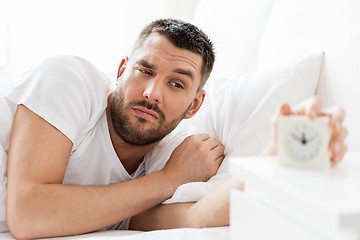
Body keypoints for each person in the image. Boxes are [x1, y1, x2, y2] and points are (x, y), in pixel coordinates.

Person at [1, 18, 347, 239]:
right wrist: (169, 181)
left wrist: (282, 157)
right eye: (145, 71)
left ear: (195, 105)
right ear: (121, 70)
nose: (153, 93)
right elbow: (28, 214)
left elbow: (198, 216)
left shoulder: (167, 157)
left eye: (177, 85)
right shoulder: (69, 78)